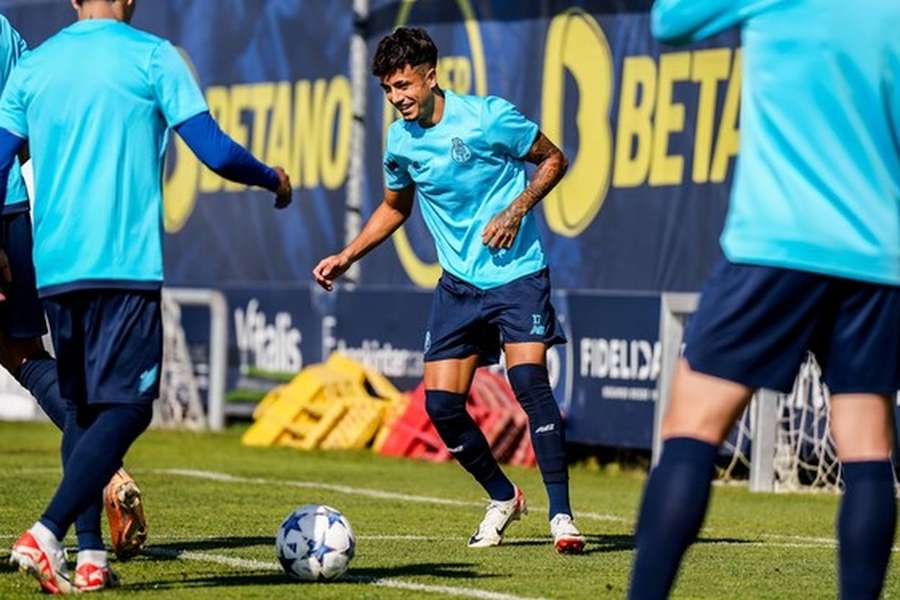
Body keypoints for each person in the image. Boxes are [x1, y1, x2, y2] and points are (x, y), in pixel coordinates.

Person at [0, 0, 292, 593]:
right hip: (124, 265)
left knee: (81, 413)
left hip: (57, 265)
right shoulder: (154, 56)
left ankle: (90, 558)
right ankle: (47, 532)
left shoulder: (38, 65)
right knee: (130, 408)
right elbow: (213, 150)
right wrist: (271, 177)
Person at [629, 1, 900, 598]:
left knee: (691, 428)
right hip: (879, 256)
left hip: (775, 245)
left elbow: (669, 20)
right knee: (867, 448)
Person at [313, 27, 585, 554]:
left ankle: (563, 518)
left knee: (529, 382)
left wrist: (516, 209)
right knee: (441, 405)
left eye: (404, 85)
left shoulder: (486, 117)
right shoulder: (399, 140)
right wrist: (347, 256)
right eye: (388, 90)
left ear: (431, 76)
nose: (398, 99)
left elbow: (554, 158)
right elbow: (395, 208)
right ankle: (503, 497)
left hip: (517, 275)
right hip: (459, 287)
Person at [0, 11, 148, 591]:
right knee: (19, 352)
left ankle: (93, 473)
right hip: (14, 209)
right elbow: (29, 127)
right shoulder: (9, 32)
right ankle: (101, 466)